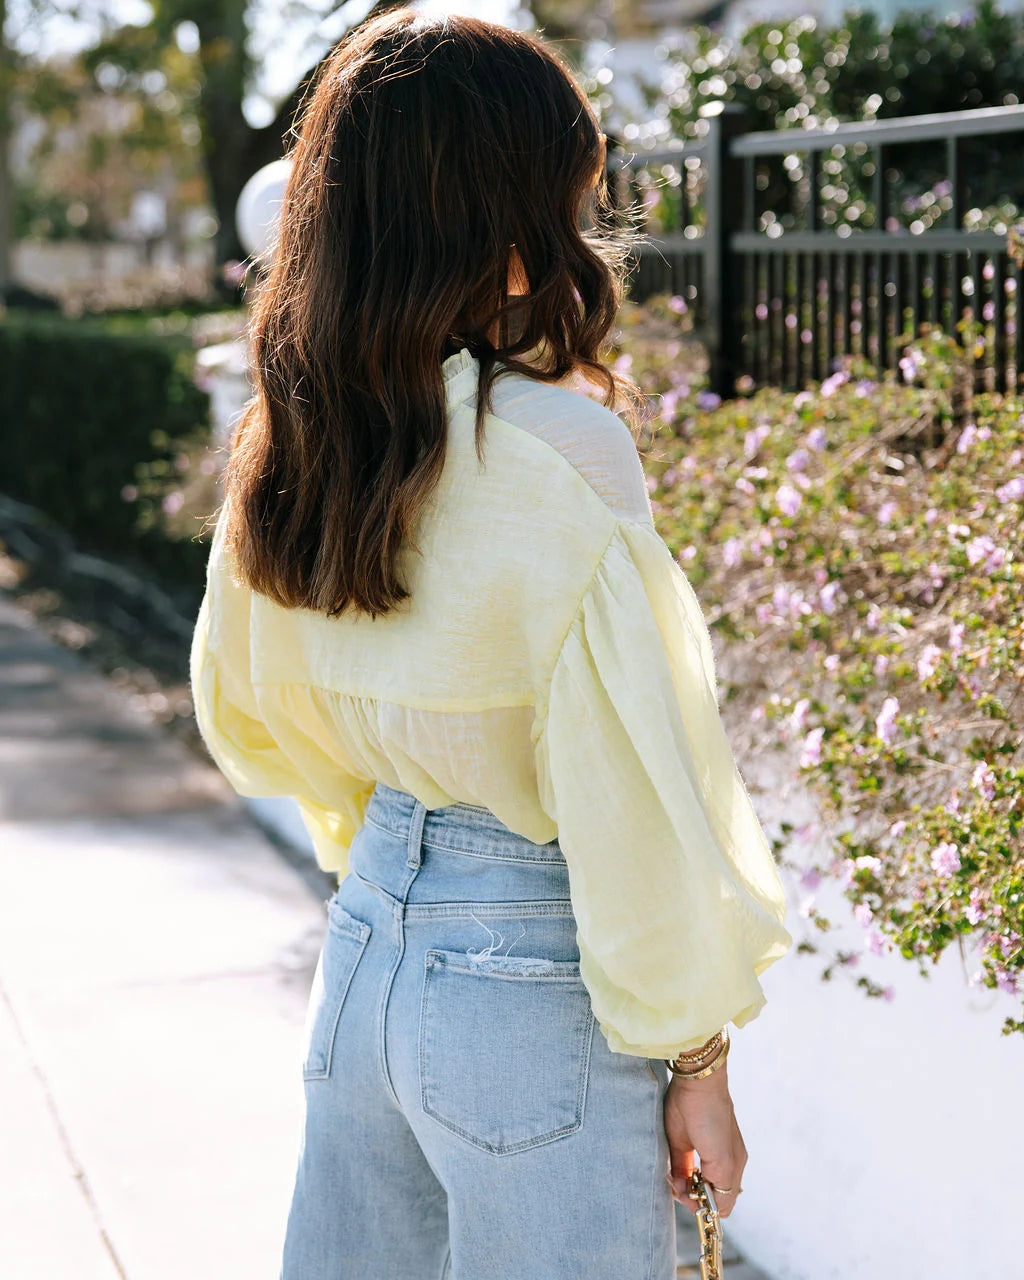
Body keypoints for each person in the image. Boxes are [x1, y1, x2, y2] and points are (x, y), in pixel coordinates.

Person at [189, 9, 793, 1278]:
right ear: (503, 221)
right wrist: (697, 1056)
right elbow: (635, 788)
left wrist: (396, 860)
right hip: (533, 966)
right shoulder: (561, 453)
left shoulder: (292, 441)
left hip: (365, 950)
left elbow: (243, 709)